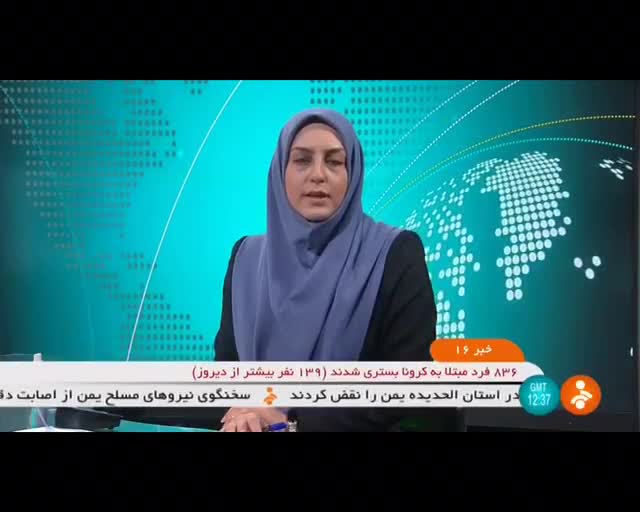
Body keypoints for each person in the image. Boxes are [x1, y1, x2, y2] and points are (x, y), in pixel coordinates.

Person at [214, 109, 445, 432]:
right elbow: (223, 379)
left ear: (353, 174)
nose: (318, 175)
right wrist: (239, 413)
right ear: (280, 172)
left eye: (334, 162)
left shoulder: (395, 254)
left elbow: (410, 391)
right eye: (302, 160)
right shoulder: (246, 259)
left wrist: (290, 424)